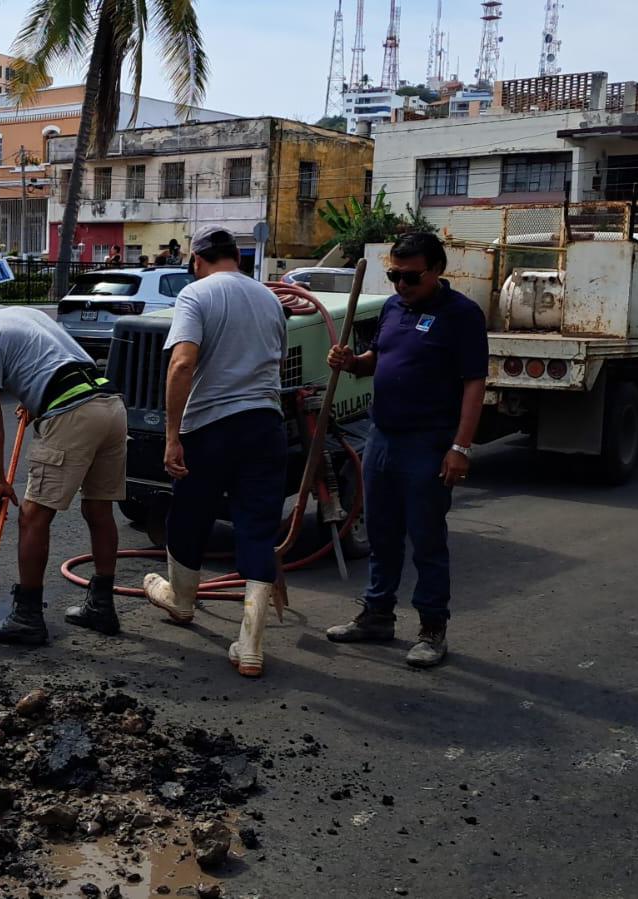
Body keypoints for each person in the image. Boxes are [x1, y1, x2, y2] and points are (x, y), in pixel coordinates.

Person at [0, 295, 128, 645]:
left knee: (32, 516)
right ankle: (102, 606)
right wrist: (35, 398)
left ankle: (28, 617)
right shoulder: (20, 313)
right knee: (98, 508)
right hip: (109, 405)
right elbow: (58, 363)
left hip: (73, 414)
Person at [324, 232, 487, 668]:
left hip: (429, 441)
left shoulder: (462, 315)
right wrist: (351, 362)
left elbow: (475, 384)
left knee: (426, 538)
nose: (400, 285)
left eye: (410, 277)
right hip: (383, 436)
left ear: (436, 270)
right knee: (381, 532)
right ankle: (377, 615)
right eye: (394, 275)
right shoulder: (394, 308)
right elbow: (378, 356)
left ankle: (432, 628)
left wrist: (460, 447)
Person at [141, 226, 287, 678]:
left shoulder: (197, 294)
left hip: (212, 426)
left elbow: (182, 363)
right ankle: (250, 646)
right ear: (236, 260)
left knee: (189, 515)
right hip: (266, 424)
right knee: (257, 528)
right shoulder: (270, 299)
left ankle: (182, 602)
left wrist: (171, 435)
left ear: (198, 261)